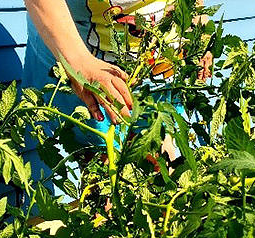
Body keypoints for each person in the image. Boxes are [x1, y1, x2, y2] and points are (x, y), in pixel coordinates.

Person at [22, 0, 213, 189]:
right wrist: (78, 62)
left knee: (161, 165)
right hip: (75, 50)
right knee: (102, 174)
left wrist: (199, 31)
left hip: (156, 62)